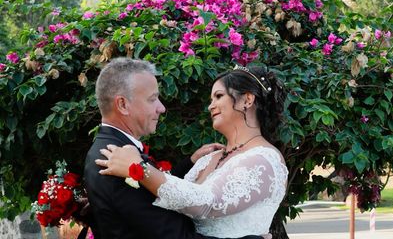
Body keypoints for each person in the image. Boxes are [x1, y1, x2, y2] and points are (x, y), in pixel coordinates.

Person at [96, 63, 288, 239]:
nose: (210, 105)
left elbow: (207, 203)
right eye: (211, 98)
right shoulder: (208, 158)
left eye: (219, 96)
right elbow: (175, 202)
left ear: (247, 100)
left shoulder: (264, 159)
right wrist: (108, 202)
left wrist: (138, 168)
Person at [84, 58, 221, 239]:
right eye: (152, 99)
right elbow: (173, 235)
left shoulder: (111, 148)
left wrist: (190, 163)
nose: (162, 108)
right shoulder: (114, 162)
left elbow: (150, 198)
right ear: (123, 105)